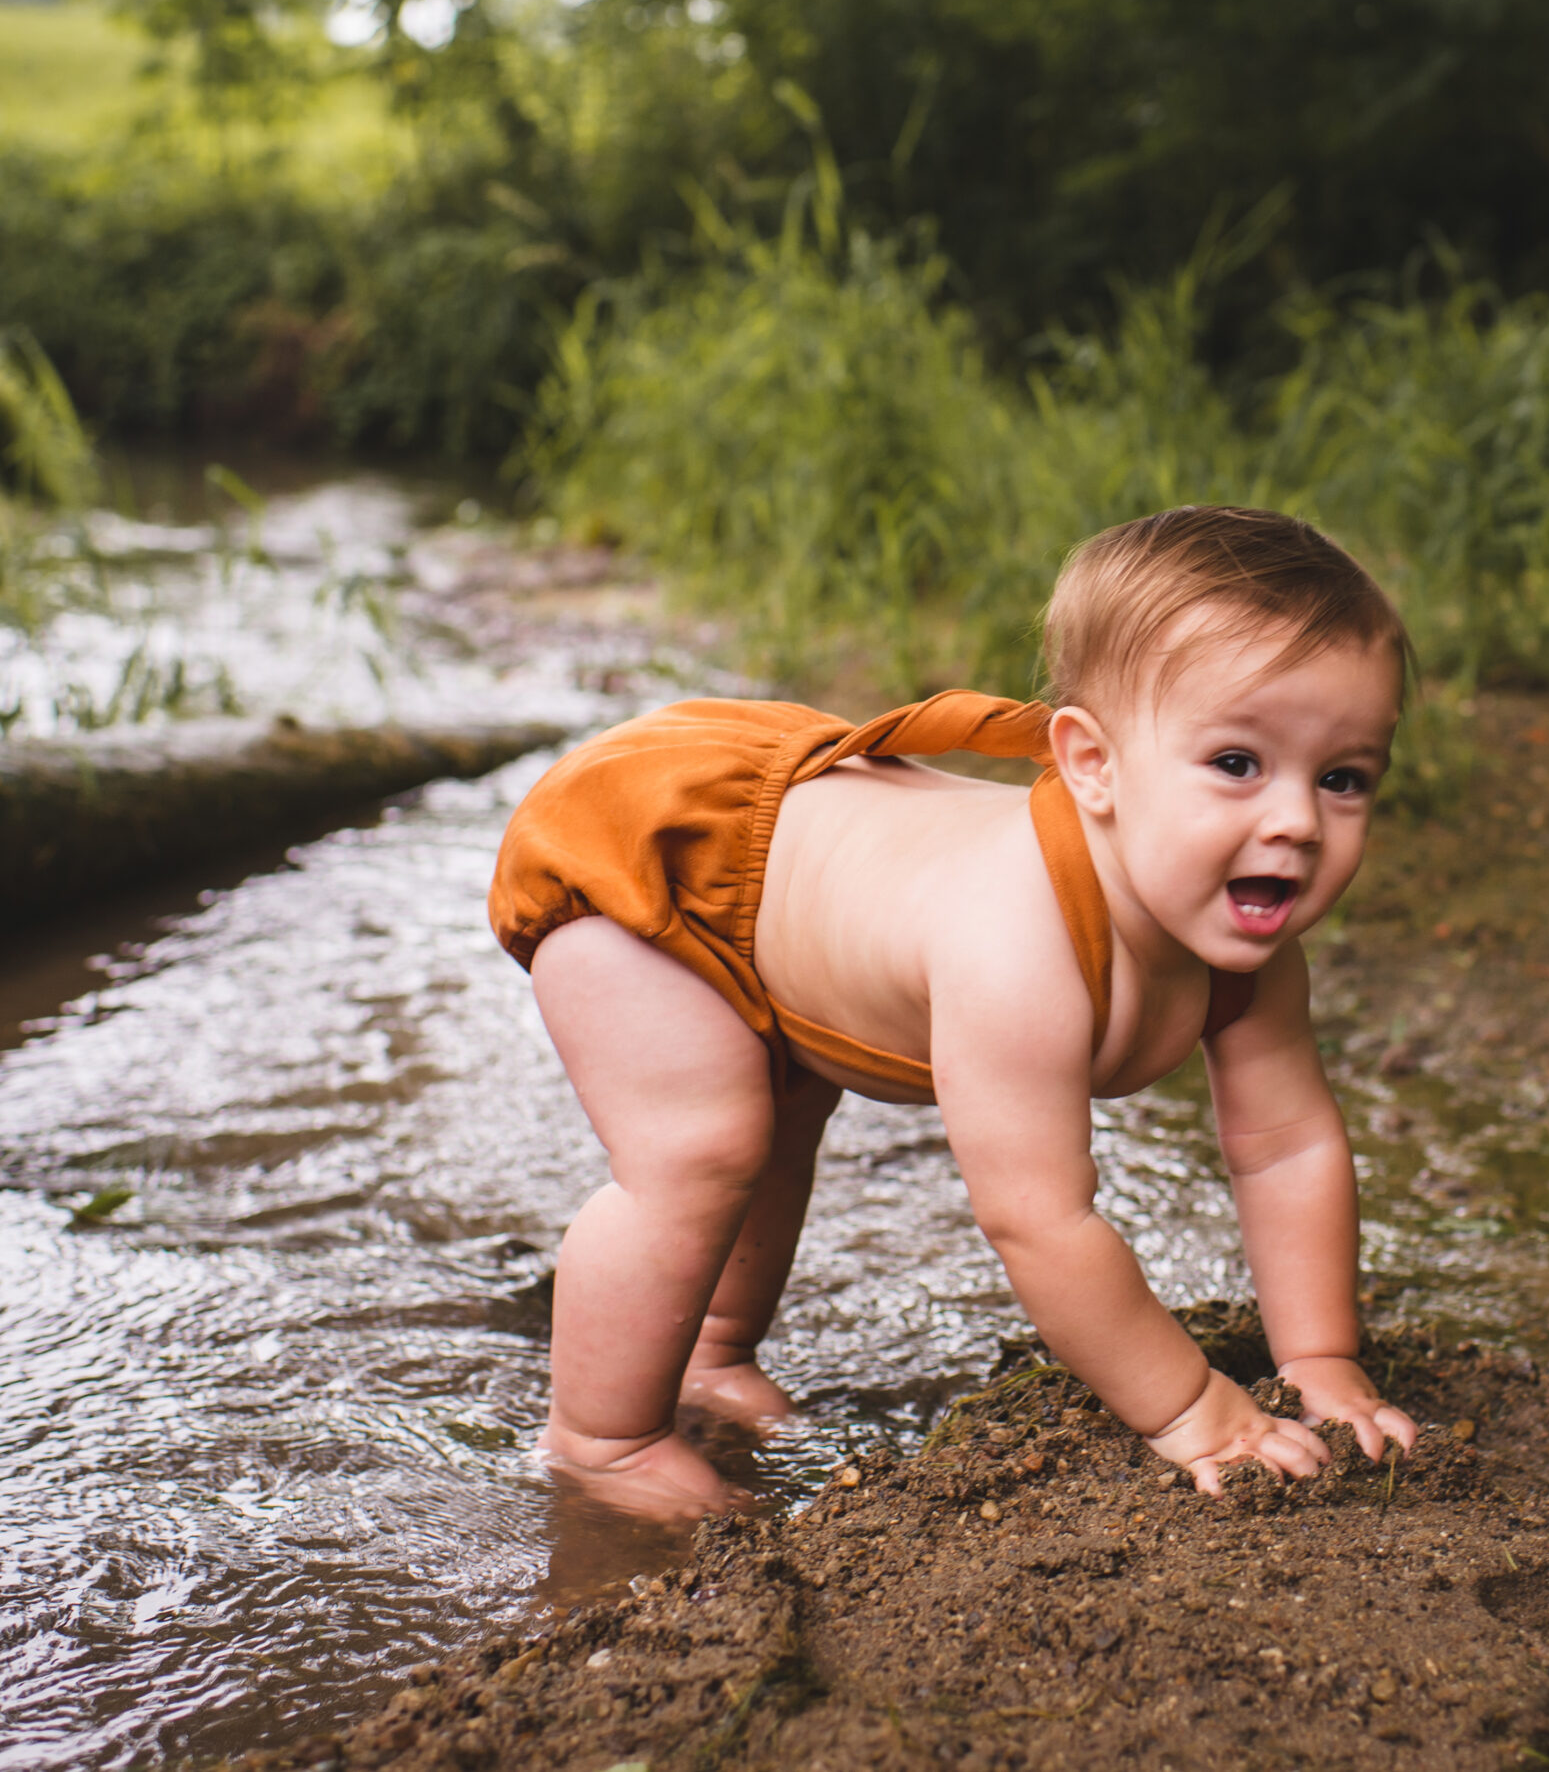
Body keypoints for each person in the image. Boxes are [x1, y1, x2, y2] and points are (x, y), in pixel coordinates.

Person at [489, 505, 1421, 1517]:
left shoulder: (1248, 943)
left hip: (811, 898)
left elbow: (1286, 1147)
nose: (1293, 821)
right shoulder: (1021, 942)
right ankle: (603, 1439)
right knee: (704, 1144)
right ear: (1093, 765)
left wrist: (1320, 1356)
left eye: (1342, 778)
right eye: (1237, 763)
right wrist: (1194, 1406)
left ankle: (709, 1354)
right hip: (665, 860)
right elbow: (1038, 1217)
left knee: (781, 1121)